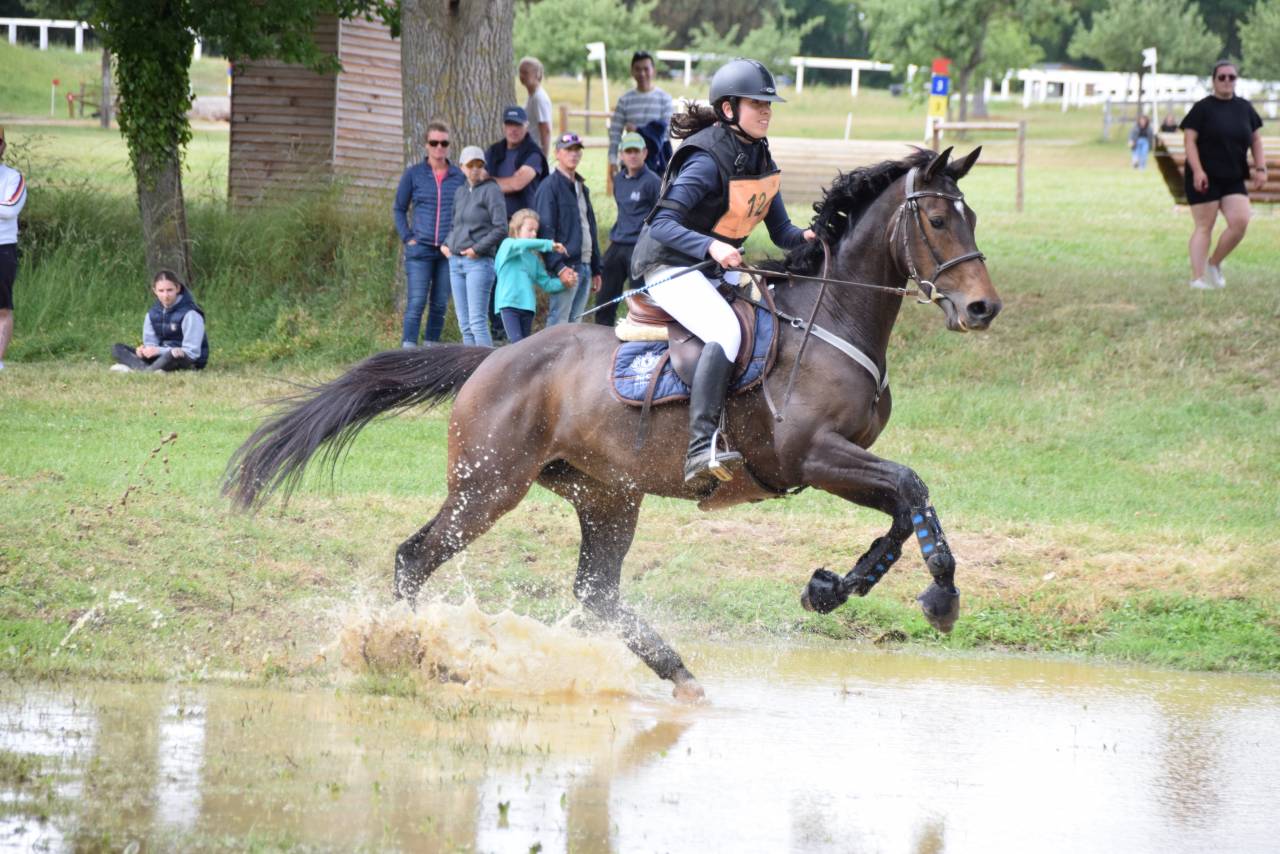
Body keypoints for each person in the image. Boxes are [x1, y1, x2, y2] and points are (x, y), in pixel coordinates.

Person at [631, 58, 815, 484]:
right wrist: (711, 245)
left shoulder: (759, 154)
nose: (767, 111)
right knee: (725, 331)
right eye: (757, 104)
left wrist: (808, 237)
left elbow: (782, 230)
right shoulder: (706, 159)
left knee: (772, 318)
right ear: (729, 109)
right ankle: (700, 447)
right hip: (670, 263)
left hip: (711, 266)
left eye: (769, 104)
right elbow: (660, 222)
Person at [1181, 60, 1266, 290]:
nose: (1227, 81)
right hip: (1204, 176)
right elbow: (1189, 141)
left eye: (1232, 77)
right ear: (1214, 80)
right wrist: (1198, 171)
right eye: (1222, 77)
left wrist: (1260, 168)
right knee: (1204, 226)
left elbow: (1256, 140)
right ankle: (1197, 279)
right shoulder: (1202, 108)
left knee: (1240, 222)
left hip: (1233, 176)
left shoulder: (1245, 108)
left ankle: (1214, 264)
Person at [393, 121, 465, 346]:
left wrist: (455, 241)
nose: (439, 148)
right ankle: (408, 350)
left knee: (440, 303)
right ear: (426, 145)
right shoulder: (414, 174)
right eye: (434, 143)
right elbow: (399, 208)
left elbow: (463, 213)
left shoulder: (459, 177)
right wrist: (408, 238)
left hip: (447, 250)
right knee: (416, 302)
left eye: (444, 143)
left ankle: (430, 350)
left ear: (449, 146)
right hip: (420, 249)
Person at [441, 145, 507, 347]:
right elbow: (454, 224)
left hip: (478, 263)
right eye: (470, 165)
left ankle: (488, 371)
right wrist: (446, 244)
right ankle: (470, 370)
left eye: (479, 165)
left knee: (477, 322)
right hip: (455, 262)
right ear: (462, 167)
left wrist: (477, 249)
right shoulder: (461, 191)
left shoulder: (491, 190)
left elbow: (501, 227)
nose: (475, 169)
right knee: (465, 324)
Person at [534, 132, 602, 326]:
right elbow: (545, 232)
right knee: (559, 325)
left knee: (575, 326)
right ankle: (548, 358)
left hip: (586, 265)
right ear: (557, 153)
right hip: (566, 267)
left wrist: (597, 268)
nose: (573, 154)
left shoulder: (581, 187)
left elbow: (590, 228)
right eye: (568, 150)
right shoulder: (549, 187)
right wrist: (559, 267)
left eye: (577, 150)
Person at [597, 131, 660, 327]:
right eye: (628, 151)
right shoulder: (618, 180)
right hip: (617, 244)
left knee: (639, 298)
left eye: (636, 151)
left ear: (645, 153)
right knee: (605, 298)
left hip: (640, 247)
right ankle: (601, 333)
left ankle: (639, 335)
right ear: (622, 155)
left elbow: (659, 217)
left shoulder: (653, 182)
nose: (632, 156)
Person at [110, 270, 209, 372]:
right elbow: (151, 345)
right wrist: (144, 351)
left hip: (184, 358)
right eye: (161, 291)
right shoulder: (152, 314)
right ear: (154, 291)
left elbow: (192, 352)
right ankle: (151, 370)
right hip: (160, 357)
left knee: (173, 354)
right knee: (117, 348)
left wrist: (159, 351)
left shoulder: (191, 314)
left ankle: (140, 370)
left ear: (178, 288)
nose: (165, 295)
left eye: (169, 290)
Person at [494, 209, 567, 343]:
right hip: (509, 306)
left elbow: (547, 284)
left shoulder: (533, 259)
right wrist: (549, 245)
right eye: (530, 229)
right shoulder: (508, 245)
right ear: (516, 230)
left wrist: (565, 283)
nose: (534, 234)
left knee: (524, 348)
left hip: (528, 308)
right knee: (517, 345)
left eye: (536, 231)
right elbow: (519, 244)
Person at [608, 51, 674, 174]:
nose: (642, 73)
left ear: (653, 71)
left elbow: (665, 132)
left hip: (659, 163)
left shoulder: (665, 99)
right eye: (637, 69)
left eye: (646, 69)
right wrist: (612, 160)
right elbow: (615, 133)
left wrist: (637, 131)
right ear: (632, 71)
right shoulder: (625, 100)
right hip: (631, 162)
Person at [484, 106, 549, 221]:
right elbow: (478, 178)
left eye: (518, 125)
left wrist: (487, 182)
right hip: (494, 219)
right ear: (504, 126)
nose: (513, 129)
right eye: (509, 124)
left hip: (524, 223)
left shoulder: (533, 153)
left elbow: (516, 184)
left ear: (526, 126)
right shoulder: (493, 151)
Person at [0, 125, 25, 372]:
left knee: (2, 308)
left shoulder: (12, 177)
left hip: (2, 248)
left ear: (2, 146)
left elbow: (10, 209)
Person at [518, 56, 553, 153]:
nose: (522, 76)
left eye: (525, 72)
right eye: (520, 72)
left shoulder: (539, 98)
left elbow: (546, 130)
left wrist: (543, 157)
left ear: (537, 74)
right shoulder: (532, 96)